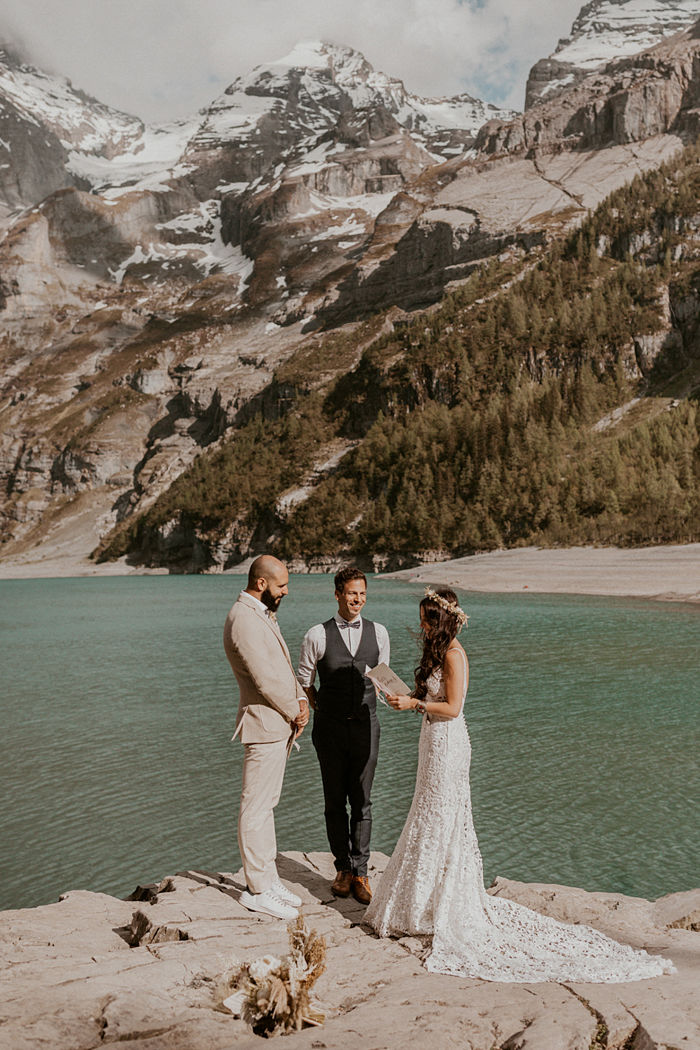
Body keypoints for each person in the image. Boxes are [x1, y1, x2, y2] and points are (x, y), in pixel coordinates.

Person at [365, 587, 675, 982]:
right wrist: (404, 696)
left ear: (443, 621)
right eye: (422, 616)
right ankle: (419, 902)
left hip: (448, 742)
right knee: (426, 812)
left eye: (428, 617)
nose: (421, 624)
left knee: (442, 813)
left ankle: (436, 904)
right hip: (431, 740)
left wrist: (417, 705)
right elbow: (430, 696)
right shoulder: (435, 653)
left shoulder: (455, 654)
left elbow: (454, 707)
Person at [223, 555, 309, 921]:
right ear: (261, 583)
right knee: (255, 807)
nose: (286, 592)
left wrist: (301, 697)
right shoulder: (243, 618)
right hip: (263, 724)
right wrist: (295, 709)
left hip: (276, 725)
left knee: (267, 804)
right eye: (281, 586)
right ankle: (257, 889)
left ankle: (269, 879)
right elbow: (263, 677)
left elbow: (281, 667)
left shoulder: (260, 613)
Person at [297, 567, 390, 904]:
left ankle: (362, 871)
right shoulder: (316, 635)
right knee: (334, 801)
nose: (358, 600)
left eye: (362, 594)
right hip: (330, 730)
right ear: (337, 594)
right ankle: (342, 869)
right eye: (352, 593)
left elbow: (381, 677)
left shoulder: (379, 633)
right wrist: (319, 707)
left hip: (367, 727)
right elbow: (304, 681)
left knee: (363, 800)